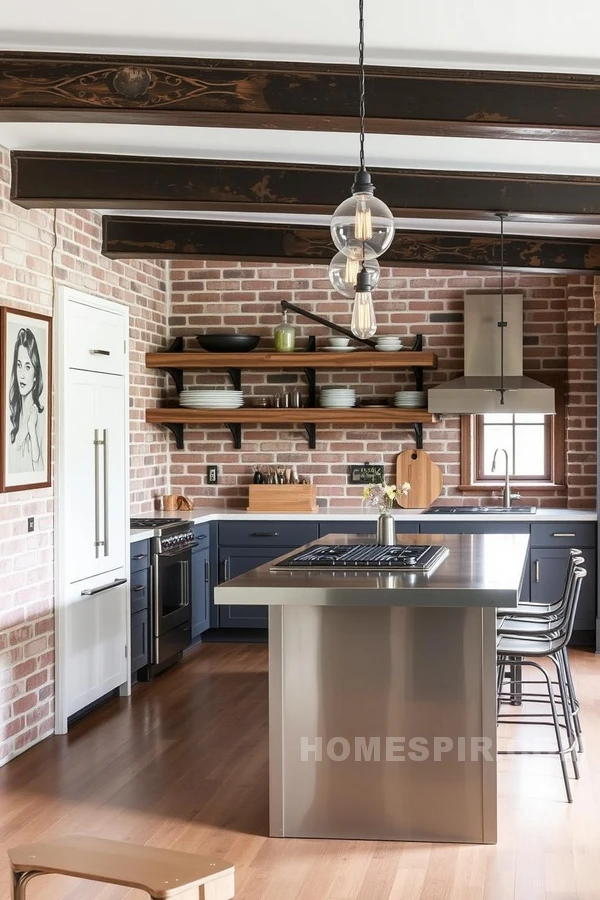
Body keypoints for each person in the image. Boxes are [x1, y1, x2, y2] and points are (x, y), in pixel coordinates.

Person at [8, 327, 44, 474]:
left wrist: (31, 430)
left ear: (35, 375)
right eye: (19, 365)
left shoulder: (38, 418)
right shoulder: (15, 416)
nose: (21, 374)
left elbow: (40, 472)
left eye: (28, 367)